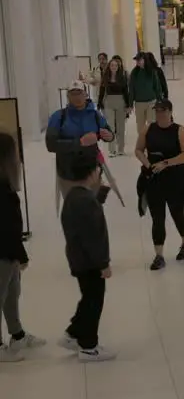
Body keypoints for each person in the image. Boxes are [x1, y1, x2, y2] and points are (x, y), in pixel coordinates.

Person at [56, 153, 114, 362]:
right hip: (90, 262)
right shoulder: (87, 201)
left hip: (78, 259)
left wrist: (99, 195)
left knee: (87, 297)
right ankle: (89, 346)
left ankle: (74, 332)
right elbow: (94, 237)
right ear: (92, 173)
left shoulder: (73, 196)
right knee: (94, 301)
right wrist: (103, 264)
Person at [135, 99, 184, 271]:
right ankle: (159, 255)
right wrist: (147, 164)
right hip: (154, 178)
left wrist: (167, 163)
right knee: (157, 218)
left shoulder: (179, 130)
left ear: (170, 112)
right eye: (157, 111)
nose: (160, 114)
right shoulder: (149, 129)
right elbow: (138, 149)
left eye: (163, 111)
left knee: (177, 214)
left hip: (175, 178)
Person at [47, 81, 114, 211]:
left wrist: (109, 136)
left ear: (86, 95)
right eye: (73, 93)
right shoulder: (58, 117)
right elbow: (51, 144)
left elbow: (108, 132)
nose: (77, 97)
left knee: (93, 209)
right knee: (74, 211)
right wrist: (79, 143)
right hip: (68, 173)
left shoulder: (95, 115)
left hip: (91, 172)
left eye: (80, 93)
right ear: (68, 96)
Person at [0, 133, 38, 362]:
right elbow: (5, 228)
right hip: (4, 250)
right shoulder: (2, 191)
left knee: (11, 293)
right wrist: (20, 254)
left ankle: (17, 334)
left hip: (9, 249)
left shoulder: (6, 185)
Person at [96, 56, 132, 157]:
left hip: (121, 102)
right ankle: (112, 150)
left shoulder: (122, 77)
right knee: (110, 126)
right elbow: (102, 92)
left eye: (116, 65)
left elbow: (126, 92)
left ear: (118, 67)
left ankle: (121, 149)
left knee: (121, 127)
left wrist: (128, 105)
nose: (114, 67)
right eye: (112, 65)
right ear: (109, 66)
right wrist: (99, 104)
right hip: (109, 103)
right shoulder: (105, 77)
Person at [129, 51, 169, 137]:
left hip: (151, 102)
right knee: (140, 126)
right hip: (139, 103)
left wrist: (160, 100)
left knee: (152, 123)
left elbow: (157, 87)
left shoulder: (152, 72)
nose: (138, 62)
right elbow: (131, 89)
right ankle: (143, 143)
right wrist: (130, 103)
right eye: (137, 60)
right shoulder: (134, 73)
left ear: (144, 60)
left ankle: (152, 143)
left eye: (140, 60)